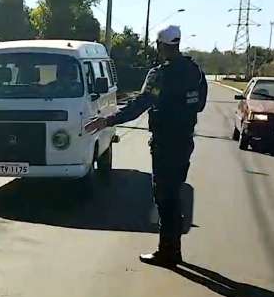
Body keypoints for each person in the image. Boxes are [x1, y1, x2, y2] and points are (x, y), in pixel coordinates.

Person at [85, 25, 208, 266]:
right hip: (184, 141)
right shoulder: (195, 72)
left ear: (160, 46)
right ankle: (173, 249)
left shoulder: (159, 74)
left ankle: (168, 252)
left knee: (164, 196)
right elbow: (200, 104)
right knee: (173, 193)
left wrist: (108, 120)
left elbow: (140, 104)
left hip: (165, 143)